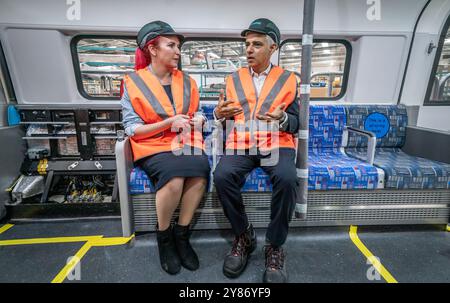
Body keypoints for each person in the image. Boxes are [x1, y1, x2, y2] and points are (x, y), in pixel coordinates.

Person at [213, 18, 300, 283]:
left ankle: (274, 245)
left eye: (257, 44)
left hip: (277, 142)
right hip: (241, 143)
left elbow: (297, 123)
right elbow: (226, 116)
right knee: (221, 176)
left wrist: (283, 120)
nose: (249, 49)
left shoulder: (289, 80)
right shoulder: (232, 79)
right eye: (247, 44)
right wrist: (219, 114)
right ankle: (244, 235)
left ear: (272, 48)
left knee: (287, 179)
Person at [121, 21, 210, 275]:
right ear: (153, 49)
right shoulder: (132, 83)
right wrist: (169, 123)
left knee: (199, 171)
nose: (178, 51)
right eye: (171, 45)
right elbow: (131, 128)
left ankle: (182, 235)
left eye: (178, 46)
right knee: (174, 178)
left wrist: (200, 119)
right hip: (151, 145)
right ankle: (165, 237)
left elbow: (197, 111)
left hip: (186, 141)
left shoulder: (189, 81)